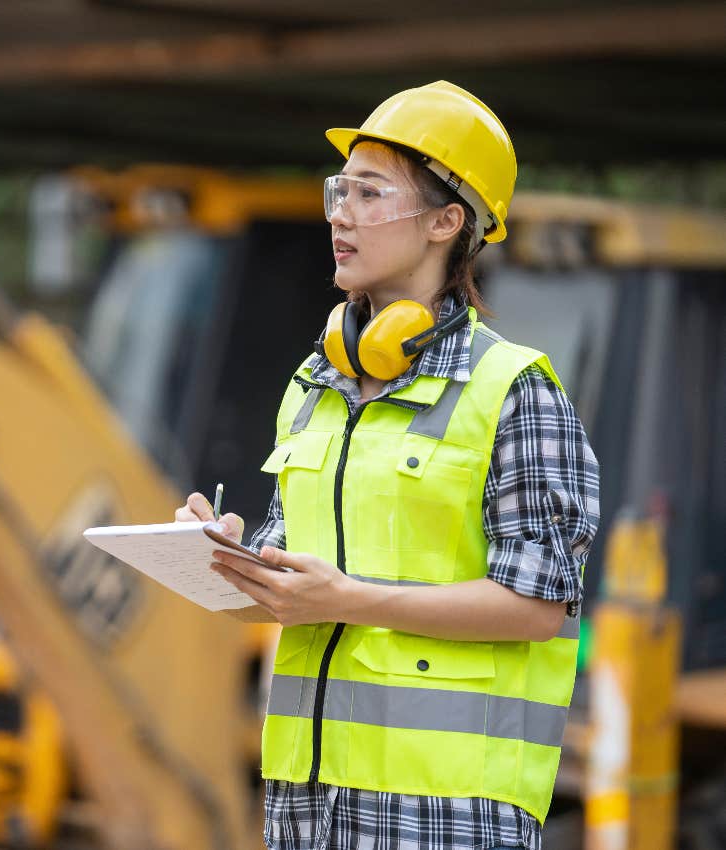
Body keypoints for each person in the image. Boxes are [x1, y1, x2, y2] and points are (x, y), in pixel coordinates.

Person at [176, 81, 600, 850]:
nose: (340, 213)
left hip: (446, 809)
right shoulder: (316, 384)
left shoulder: (514, 390)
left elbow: (540, 604)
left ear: (447, 221)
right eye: (340, 190)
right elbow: (291, 596)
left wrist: (349, 598)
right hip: (306, 800)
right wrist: (226, 558)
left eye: (370, 194)